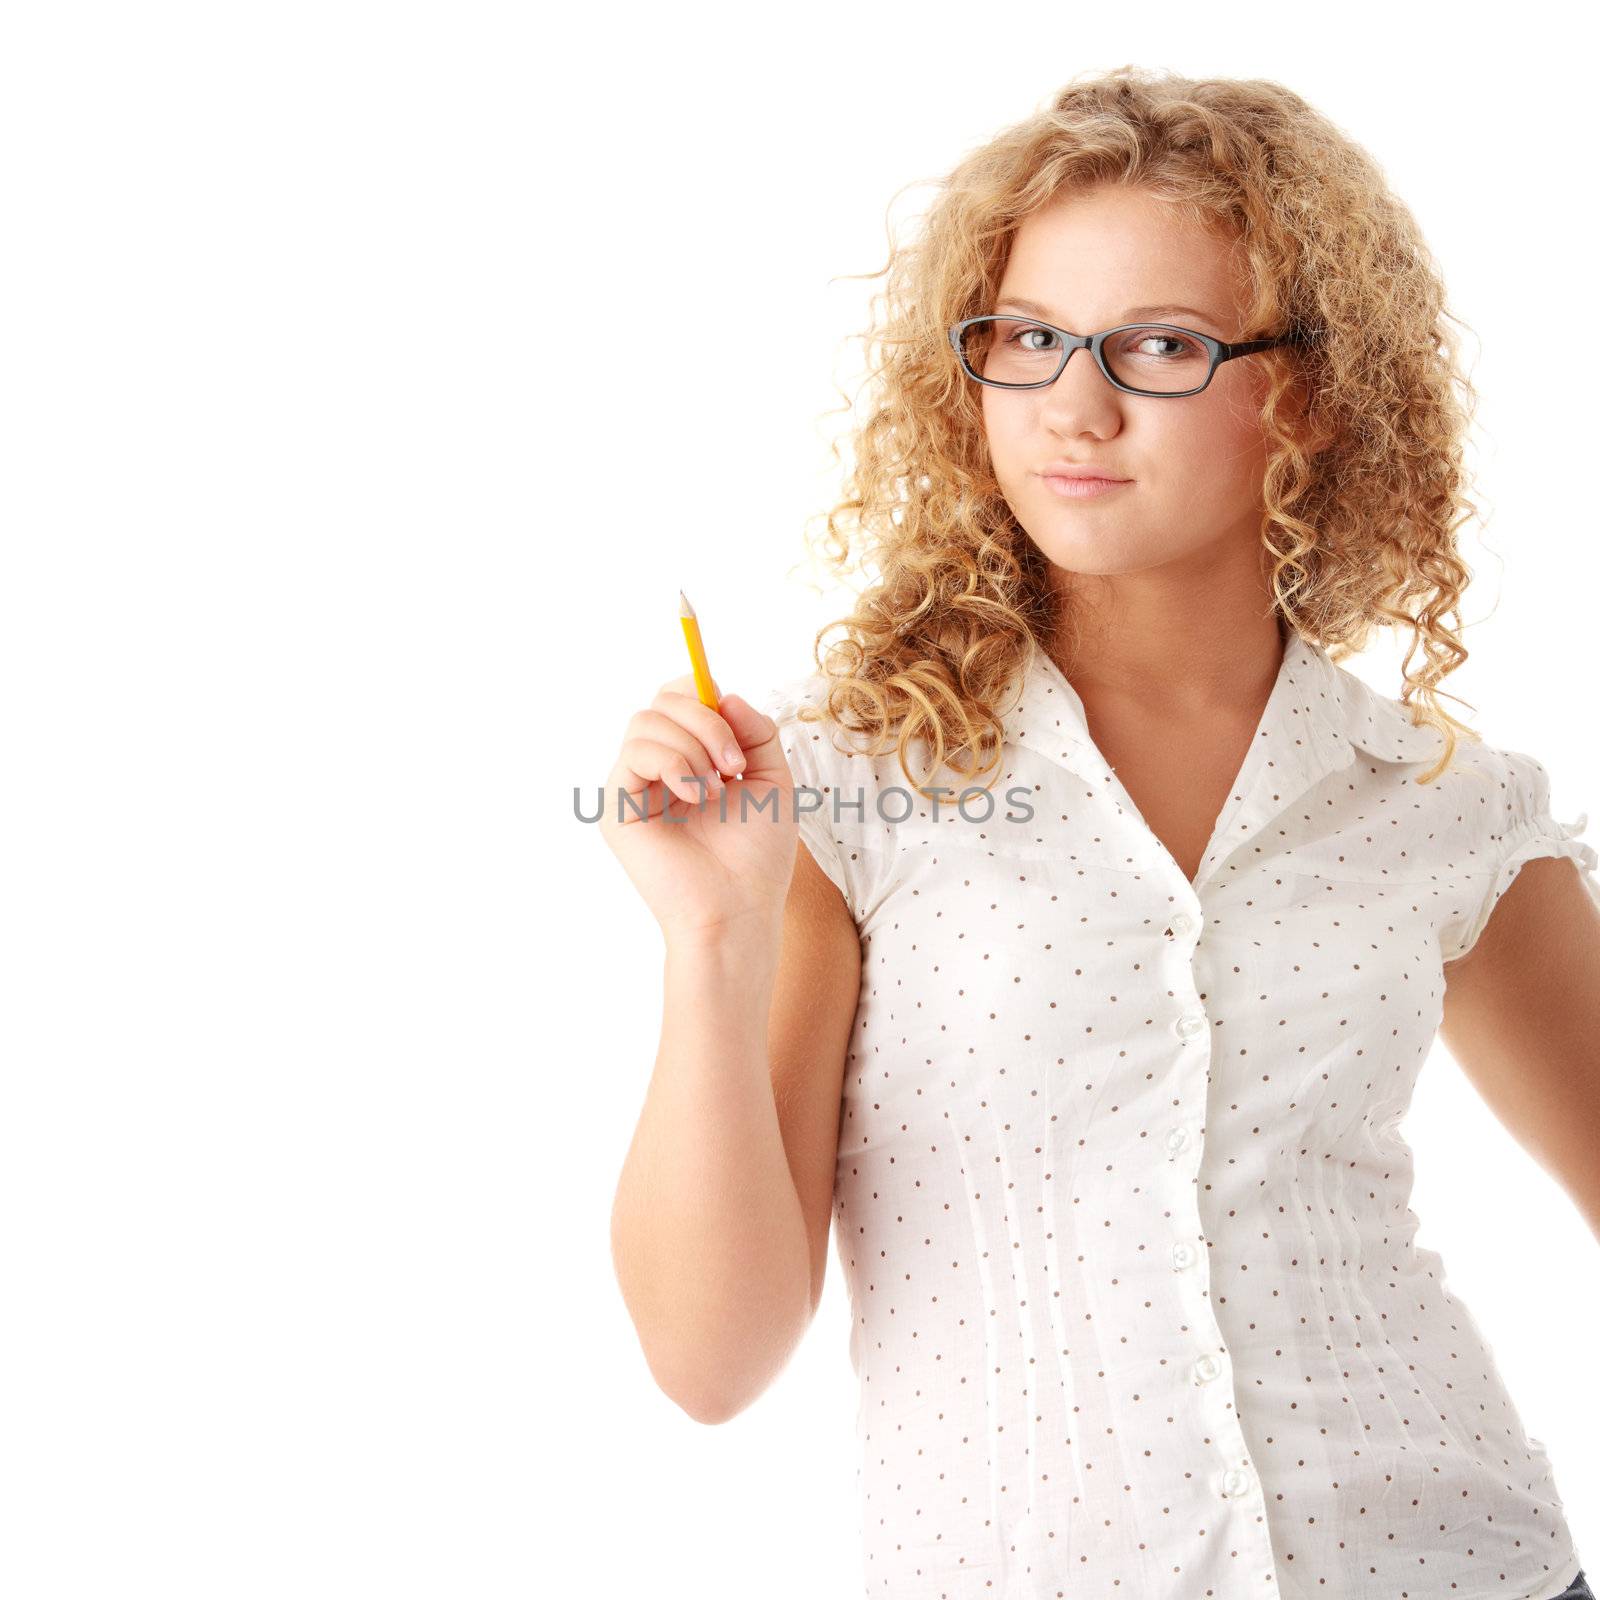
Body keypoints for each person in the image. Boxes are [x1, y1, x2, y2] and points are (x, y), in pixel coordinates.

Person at [600, 66, 1599, 1600]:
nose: (1075, 404)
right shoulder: (848, 785)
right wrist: (713, 936)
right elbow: (709, 1362)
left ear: (1313, 392)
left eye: (1162, 345)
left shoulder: (1442, 805)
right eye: (1029, 340)